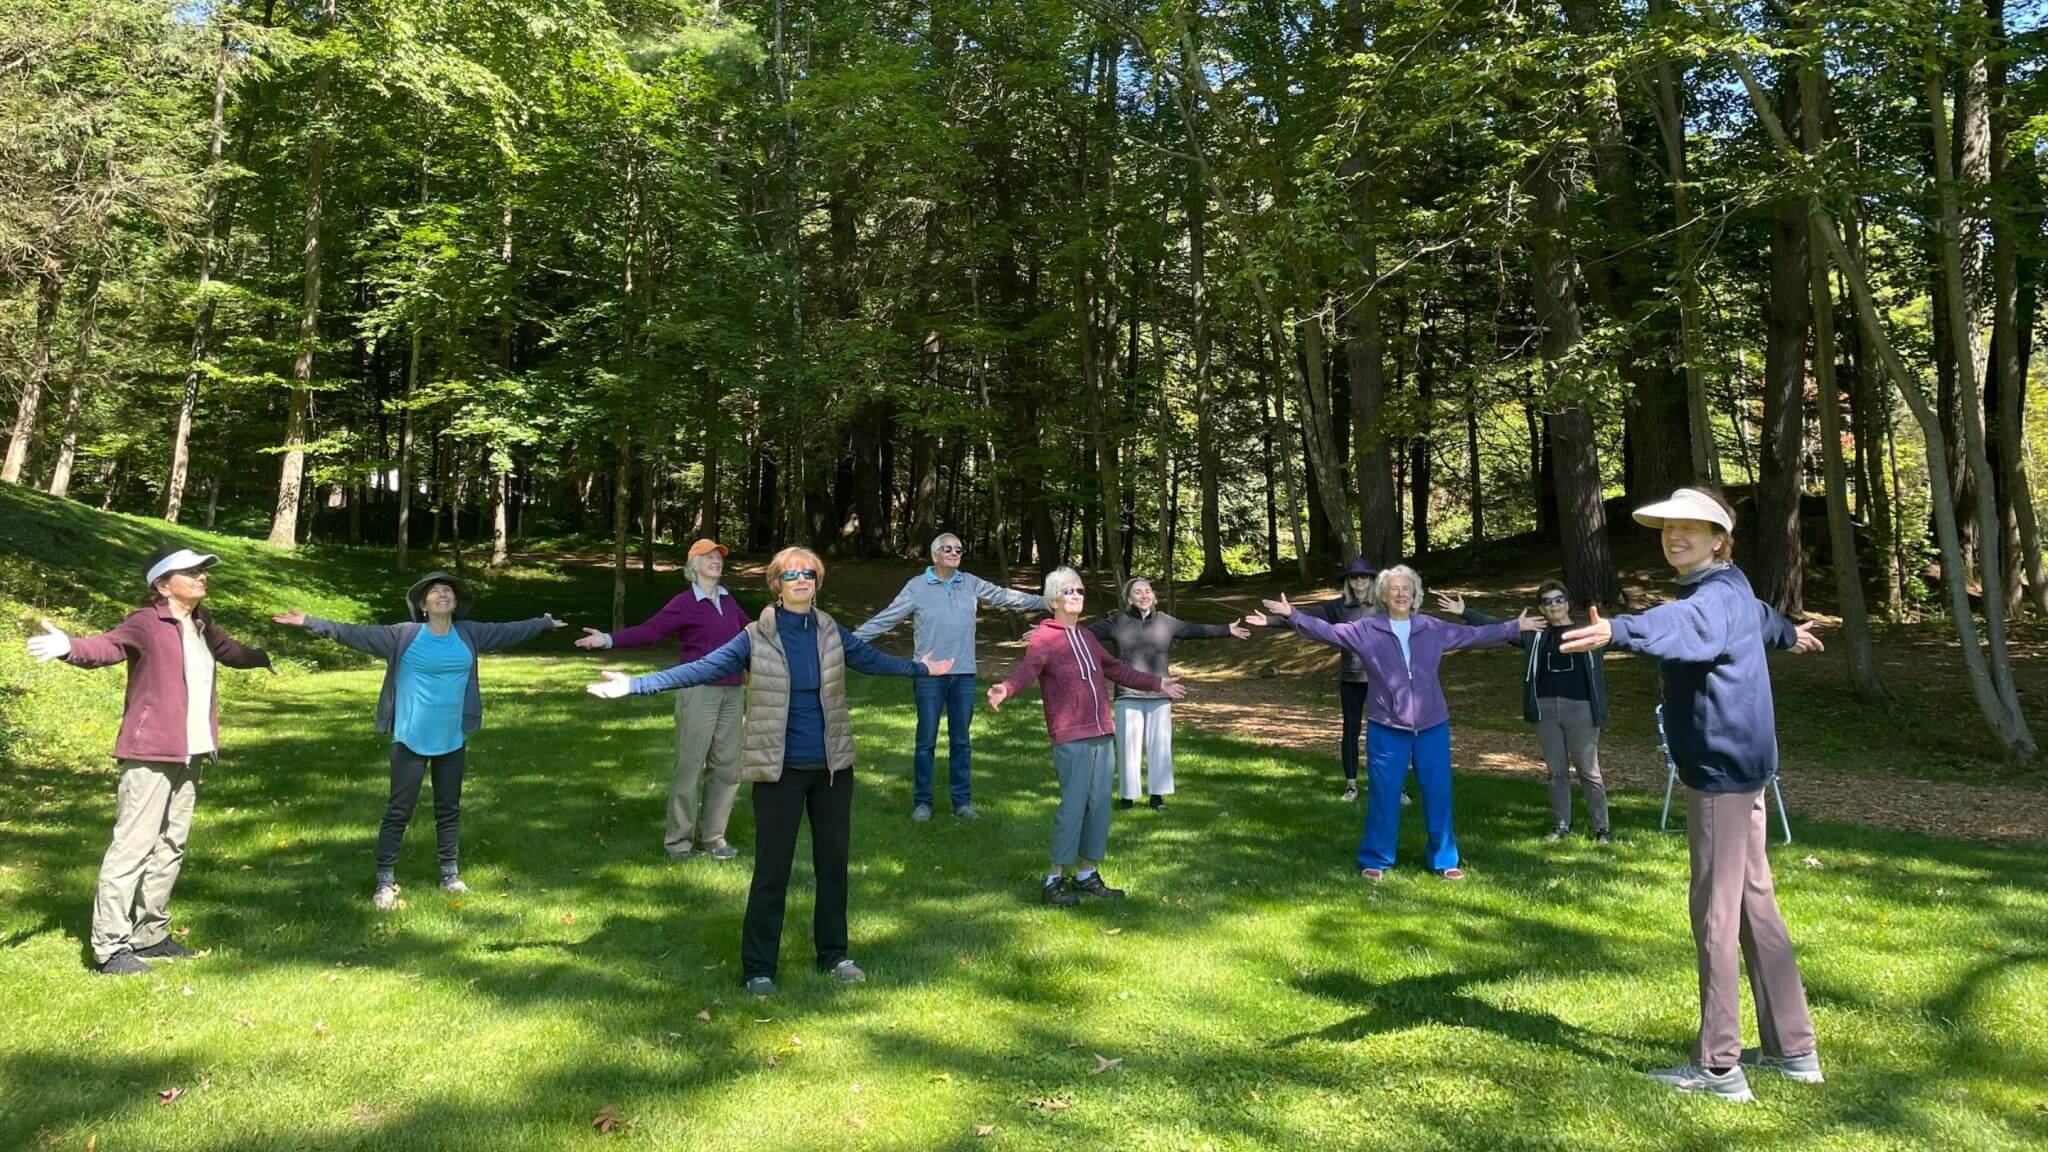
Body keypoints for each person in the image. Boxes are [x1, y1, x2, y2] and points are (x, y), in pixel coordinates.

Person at [587, 547, 953, 997]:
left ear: (817, 583)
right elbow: (702, 668)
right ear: (777, 585)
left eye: (809, 574)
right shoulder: (754, 635)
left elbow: (870, 659)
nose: (801, 580)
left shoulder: (829, 631)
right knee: (771, 872)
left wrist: (921, 668)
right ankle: (758, 968)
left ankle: (834, 954)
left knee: (833, 866)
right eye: (792, 574)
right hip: (778, 769)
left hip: (832, 769)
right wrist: (635, 685)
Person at [1560, 485, 1825, 1103]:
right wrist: (1790, 632)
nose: (1675, 537)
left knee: (1715, 913)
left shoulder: (1710, 600)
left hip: (1721, 779)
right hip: (1746, 771)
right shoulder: (1733, 590)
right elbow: (1761, 618)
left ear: (1719, 539)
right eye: (1668, 529)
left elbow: (1687, 626)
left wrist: (1617, 631)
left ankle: (1718, 1065)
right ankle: (1794, 1049)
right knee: (1754, 904)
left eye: (1691, 529)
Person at [25, 547, 273, 975]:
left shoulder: (201, 623)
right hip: (150, 751)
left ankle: (150, 934)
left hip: (191, 750)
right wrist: (69, 647)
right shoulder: (146, 622)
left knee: (171, 845)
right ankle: (110, 947)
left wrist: (262, 655)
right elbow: (106, 646)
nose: (201, 577)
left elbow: (229, 651)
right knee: (133, 847)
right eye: (190, 572)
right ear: (162, 585)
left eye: (202, 572)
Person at [273, 571, 565, 909]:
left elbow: (508, 630)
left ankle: (449, 874)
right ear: (423, 605)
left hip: (452, 736)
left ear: (455, 604)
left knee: (448, 808)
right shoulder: (404, 636)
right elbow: (353, 633)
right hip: (410, 735)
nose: (443, 595)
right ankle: (384, 880)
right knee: (399, 810)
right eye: (435, 591)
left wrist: (542, 623)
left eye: (449, 592)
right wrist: (309, 621)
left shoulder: (469, 634)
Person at [1247, 565, 1537, 881]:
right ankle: (1377, 858)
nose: (1400, 593)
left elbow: (1474, 635)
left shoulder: (1432, 627)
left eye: (1406, 588)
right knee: (1384, 794)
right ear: (1383, 595)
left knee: (1438, 793)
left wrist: (1513, 626)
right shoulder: (1365, 629)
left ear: (1415, 595)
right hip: (1387, 726)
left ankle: (1444, 859)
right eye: (1394, 588)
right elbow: (1326, 631)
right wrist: (1293, 614)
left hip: (1432, 726)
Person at [989, 568, 1185, 907]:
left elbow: (1116, 669)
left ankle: (1085, 874)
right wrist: (1006, 688)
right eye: (1069, 591)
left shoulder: (1086, 637)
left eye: (1079, 590)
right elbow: (1028, 670)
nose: (1077, 595)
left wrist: (1158, 683)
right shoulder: (1044, 639)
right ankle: (1053, 881)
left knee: (1099, 808)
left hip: (1102, 732)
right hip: (1070, 734)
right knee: (1074, 806)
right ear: (1054, 599)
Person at [575, 538, 751, 861]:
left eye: (719, 557)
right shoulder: (684, 603)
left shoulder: (729, 601)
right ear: (693, 566)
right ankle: (678, 844)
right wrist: (608, 639)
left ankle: (714, 838)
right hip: (697, 691)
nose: (715, 561)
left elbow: (752, 636)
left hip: (733, 690)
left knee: (727, 767)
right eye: (708, 556)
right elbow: (650, 631)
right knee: (690, 766)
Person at [853, 532, 1047, 822]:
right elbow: (888, 617)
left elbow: (1005, 596)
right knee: (926, 741)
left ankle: (962, 803)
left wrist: (1045, 601)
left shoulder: (969, 582)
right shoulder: (917, 587)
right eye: (948, 549)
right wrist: (850, 641)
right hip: (929, 675)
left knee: (961, 742)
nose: (955, 552)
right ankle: (922, 803)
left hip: (964, 676)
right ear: (934, 555)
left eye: (959, 548)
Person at [1437, 580, 1611, 844]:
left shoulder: (1586, 632)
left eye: (1559, 599)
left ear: (1568, 601)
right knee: (1556, 771)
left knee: (1589, 770)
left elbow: (1620, 637)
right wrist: (1465, 612)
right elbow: (1496, 627)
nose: (1555, 606)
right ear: (1541, 608)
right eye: (1548, 602)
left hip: (1581, 708)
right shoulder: (1535, 633)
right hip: (1545, 709)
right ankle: (1562, 824)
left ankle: (1602, 829)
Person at [1087, 576, 1248, 810]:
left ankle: (1157, 797)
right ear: (1129, 599)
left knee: (1159, 746)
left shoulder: (1165, 622)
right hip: (1127, 693)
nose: (1144, 595)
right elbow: (1081, 634)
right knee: (1127, 748)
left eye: (1148, 591)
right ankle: (1127, 797)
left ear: (1153, 596)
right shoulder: (1117, 622)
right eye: (1138, 592)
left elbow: (1194, 629)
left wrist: (1226, 629)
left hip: (1160, 693)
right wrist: (1050, 633)